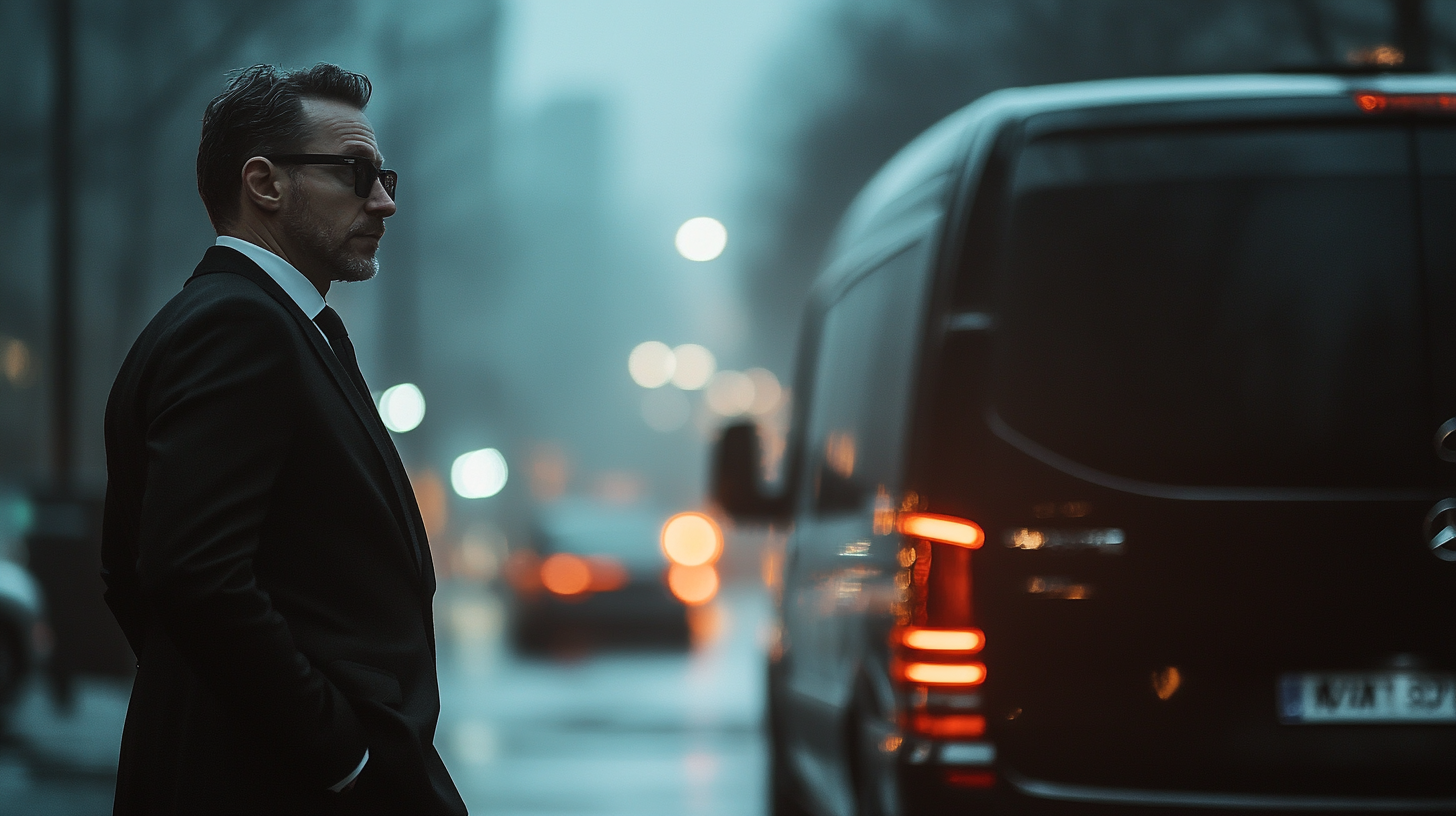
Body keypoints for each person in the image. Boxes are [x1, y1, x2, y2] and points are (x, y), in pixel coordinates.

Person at [101, 63, 466, 815]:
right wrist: (343, 757)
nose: (385, 201)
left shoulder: (253, 324)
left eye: (383, 174)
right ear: (264, 184)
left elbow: (134, 570)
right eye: (356, 173)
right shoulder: (239, 327)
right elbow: (192, 574)